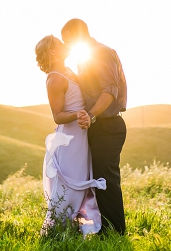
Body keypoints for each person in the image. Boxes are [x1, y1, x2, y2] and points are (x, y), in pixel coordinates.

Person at [35, 34, 106, 236]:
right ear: (52, 51)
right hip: (69, 140)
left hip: (82, 136)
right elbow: (57, 116)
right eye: (60, 43)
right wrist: (77, 114)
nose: (65, 44)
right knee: (69, 186)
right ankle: (55, 233)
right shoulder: (55, 78)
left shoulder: (67, 71)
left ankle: (74, 227)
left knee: (82, 182)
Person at [61, 18, 128, 235]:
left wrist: (90, 115)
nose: (68, 47)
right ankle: (105, 228)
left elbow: (110, 91)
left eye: (68, 41)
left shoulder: (100, 53)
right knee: (99, 182)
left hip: (108, 126)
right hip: (99, 127)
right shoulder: (86, 58)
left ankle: (115, 233)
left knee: (106, 181)